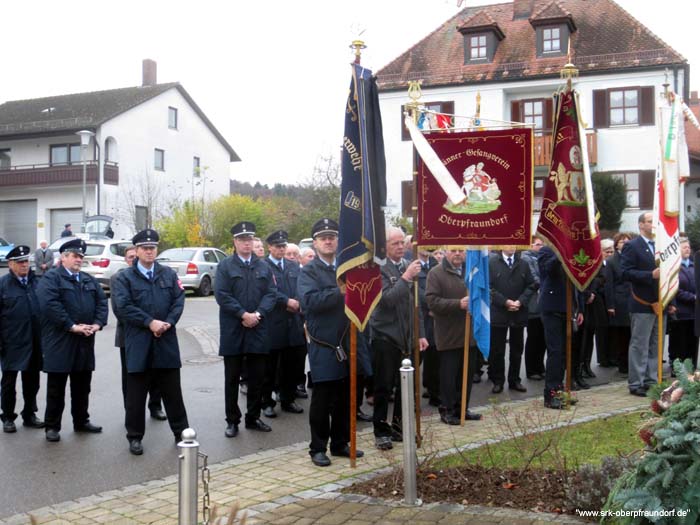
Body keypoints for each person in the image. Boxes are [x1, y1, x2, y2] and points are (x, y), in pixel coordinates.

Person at [112, 230, 189, 455]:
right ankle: (135, 436)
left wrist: (168, 322)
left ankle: (181, 432)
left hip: (165, 339)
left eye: (152, 247)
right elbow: (123, 308)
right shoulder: (124, 278)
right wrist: (149, 322)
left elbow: (179, 300)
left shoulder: (168, 274)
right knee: (136, 394)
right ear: (136, 251)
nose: (149, 251)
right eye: (144, 247)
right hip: (138, 342)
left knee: (173, 391)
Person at [297, 218, 364, 466]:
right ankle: (317, 447)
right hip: (324, 344)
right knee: (323, 399)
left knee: (346, 396)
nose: (328, 241)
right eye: (323, 237)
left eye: (332, 236)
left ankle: (340, 443)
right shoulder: (308, 272)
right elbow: (309, 302)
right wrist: (340, 292)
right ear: (315, 243)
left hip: (349, 340)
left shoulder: (346, 268)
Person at [38, 238, 108, 442]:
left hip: (84, 340)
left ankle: (81, 421)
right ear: (64, 257)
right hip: (60, 340)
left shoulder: (87, 279)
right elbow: (50, 305)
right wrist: (71, 325)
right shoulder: (51, 278)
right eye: (75, 256)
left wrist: (97, 324)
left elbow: (101, 303)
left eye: (81, 257)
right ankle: (52, 426)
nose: (79, 260)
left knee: (82, 386)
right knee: (56, 387)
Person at [215, 222, 277, 437]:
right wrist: (243, 314)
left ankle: (253, 417)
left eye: (249, 239)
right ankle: (232, 420)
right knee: (232, 379)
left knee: (257, 378)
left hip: (258, 328)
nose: (247, 243)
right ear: (235, 242)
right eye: (242, 239)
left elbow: (271, 294)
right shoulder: (225, 266)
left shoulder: (263, 267)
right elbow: (222, 295)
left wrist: (257, 315)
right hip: (234, 328)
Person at [369, 227, 427, 450]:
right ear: (384, 246)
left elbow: (416, 305)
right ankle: (381, 431)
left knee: (407, 387)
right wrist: (405, 277)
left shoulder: (406, 265)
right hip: (385, 336)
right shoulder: (378, 269)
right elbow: (386, 301)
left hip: (407, 337)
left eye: (403, 242)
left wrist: (421, 333)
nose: (401, 247)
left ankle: (399, 427)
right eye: (395, 243)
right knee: (383, 387)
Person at [426, 246, 482, 424]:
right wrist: (458, 304)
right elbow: (432, 302)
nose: (457, 253)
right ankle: (447, 411)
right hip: (448, 335)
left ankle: (462, 408)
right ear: (445, 251)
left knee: (466, 375)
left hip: (470, 334)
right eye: (453, 250)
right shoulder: (435, 273)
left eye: (461, 250)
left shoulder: (472, 271)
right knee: (449, 377)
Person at [109, 245, 165, 421]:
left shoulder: (154, 276)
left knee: (156, 372)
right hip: (129, 334)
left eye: (135, 255)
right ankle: (131, 408)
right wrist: (143, 323)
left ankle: (155, 406)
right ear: (126, 260)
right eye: (130, 257)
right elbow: (119, 309)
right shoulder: (119, 278)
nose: (133, 259)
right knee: (131, 375)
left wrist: (154, 324)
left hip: (154, 332)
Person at [621, 212, 667, 396]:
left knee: (656, 344)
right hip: (642, 302)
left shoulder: (661, 245)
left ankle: (652, 380)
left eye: (654, 222)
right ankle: (636, 383)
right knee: (640, 344)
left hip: (660, 302)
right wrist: (650, 275)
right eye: (649, 222)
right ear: (641, 225)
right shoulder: (632, 246)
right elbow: (625, 273)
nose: (653, 225)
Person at [260, 230, 305, 418]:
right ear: (269, 247)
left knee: (291, 364)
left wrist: (298, 300)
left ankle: (288, 399)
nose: (281, 249)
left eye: (283, 246)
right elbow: (267, 290)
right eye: (277, 246)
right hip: (274, 321)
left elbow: (301, 286)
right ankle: (267, 402)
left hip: (293, 322)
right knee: (270, 366)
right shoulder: (263, 266)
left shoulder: (293, 266)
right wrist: (286, 301)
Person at [0, 246, 44, 433]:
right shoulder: (3, 285)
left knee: (32, 381)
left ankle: (29, 414)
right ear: (11, 264)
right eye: (20, 262)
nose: (24, 265)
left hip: (34, 341)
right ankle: (8, 416)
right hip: (11, 342)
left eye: (26, 261)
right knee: (9, 382)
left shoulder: (37, 282)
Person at [538, 245, 585, 408]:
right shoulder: (546, 251)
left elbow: (578, 282)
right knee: (555, 352)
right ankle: (551, 395)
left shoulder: (574, 250)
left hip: (570, 308)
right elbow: (549, 270)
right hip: (552, 309)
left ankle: (562, 390)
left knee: (566, 353)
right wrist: (562, 251)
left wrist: (580, 308)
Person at [488, 246, 535, 394]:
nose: (511, 247)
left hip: (518, 312)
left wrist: (520, 301)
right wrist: (505, 302)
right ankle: (498, 381)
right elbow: (489, 287)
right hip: (499, 312)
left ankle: (514, 380)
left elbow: (531, 285)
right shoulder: (492, 263)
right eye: (508, 243)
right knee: (497, 350)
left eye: (514, 244)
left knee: (516, 349)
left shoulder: (523, 263)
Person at [605, 232, 632, 375]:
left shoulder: (633, 258)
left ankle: (632, 364)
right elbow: (608, 285)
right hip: (620, 301)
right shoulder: (611, 261)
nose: (625, 243)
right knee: (623, 335)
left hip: (634, 299)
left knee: (634, 335)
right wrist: (610, 305)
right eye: (622, 242)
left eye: (628, 241)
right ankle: (623, 364)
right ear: (616, 245)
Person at [668, 239, 697, 373]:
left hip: (694, 311)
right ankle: (677, 368)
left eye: (688, 247)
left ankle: (691, 367)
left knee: (692, 341)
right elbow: (675, 289)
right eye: (684, 247)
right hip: (680, 310)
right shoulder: (674, 266)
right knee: (679, 342)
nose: (687, 249)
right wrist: (693, 297)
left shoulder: (693, 265)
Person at [521, 236, 546, 380]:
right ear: (530, 245)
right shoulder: (526, 258)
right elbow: (534, 278)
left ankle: (540, 366)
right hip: (533, 305)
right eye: (538, 244)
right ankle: (531, 369)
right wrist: (546, 283)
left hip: (542, 304)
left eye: (542, 245)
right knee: (533, 338)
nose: (541, 247)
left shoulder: (540, 258)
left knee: (542, 338)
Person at [417, 248, 439, 406]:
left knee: (433, 355)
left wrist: (437, 306)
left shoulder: (436, 265)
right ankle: (405, 391)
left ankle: (432, 391)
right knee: (415, 357)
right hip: (419, 316)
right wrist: (432, 303)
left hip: (434, 318)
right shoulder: (412, 265)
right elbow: (415, 290)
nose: (427, 248)